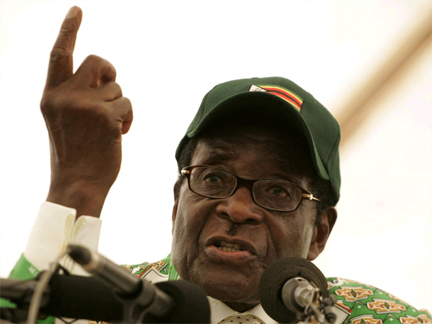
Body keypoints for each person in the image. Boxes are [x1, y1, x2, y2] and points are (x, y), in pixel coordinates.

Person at [4, 6, 431, 324]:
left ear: (319, 231)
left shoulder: (375, 319)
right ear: (177, 203)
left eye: (278, 190)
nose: (238, 209)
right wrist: (74, 189)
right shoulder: (106, 305)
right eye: (214, 178)